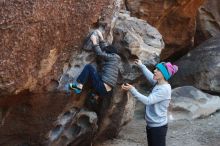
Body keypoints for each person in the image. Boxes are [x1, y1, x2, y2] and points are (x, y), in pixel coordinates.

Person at [121, 59, 178, 146]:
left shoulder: (164, 89)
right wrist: (141, 66)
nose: (155, 70)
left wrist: (132, 90)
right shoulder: (159, 83)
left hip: (158, 127)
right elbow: (150, 76)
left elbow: (148, 101)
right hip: (152, 125)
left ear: (164, 75)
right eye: (156, 68)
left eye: (158, 70)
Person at [69, 30, 121, 99]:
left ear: (110, 53)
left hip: (102, 85)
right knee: (93, 74)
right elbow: (105, 49)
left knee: (89, 67)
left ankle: (79, 86)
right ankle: (91, 94)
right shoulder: (114, 58)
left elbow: (100, 53)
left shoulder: (113, 57)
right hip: (106, 90)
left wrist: (94, 42)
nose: (105, 52)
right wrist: (101, 37)